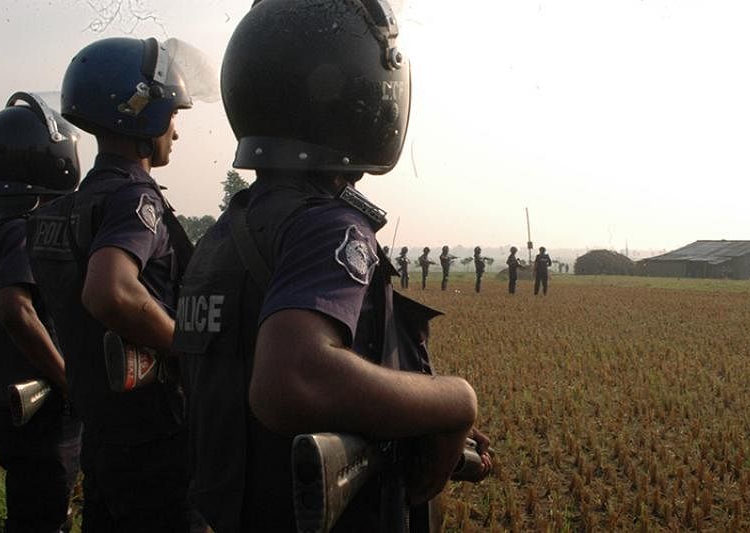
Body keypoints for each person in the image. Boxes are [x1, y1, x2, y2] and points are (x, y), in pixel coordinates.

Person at [172, 1, 492, 530]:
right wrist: (456, 401)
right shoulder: (328, 227)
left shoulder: (222, 235)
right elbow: (290, 377)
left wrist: (419, 417)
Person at [27, 37, 216, 532]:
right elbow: (109, 290)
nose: (175, 132)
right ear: (142, 114)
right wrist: (185, 347)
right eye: (171, 114)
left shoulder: (68, 207)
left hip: (104, 430)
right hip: (156, 439)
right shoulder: (136, 200)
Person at [0, 92, 83, 533]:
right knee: (44, 516)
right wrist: (70, 379)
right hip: (38, 414)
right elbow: (15, 308)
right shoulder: (21, 227)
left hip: (6, 404)